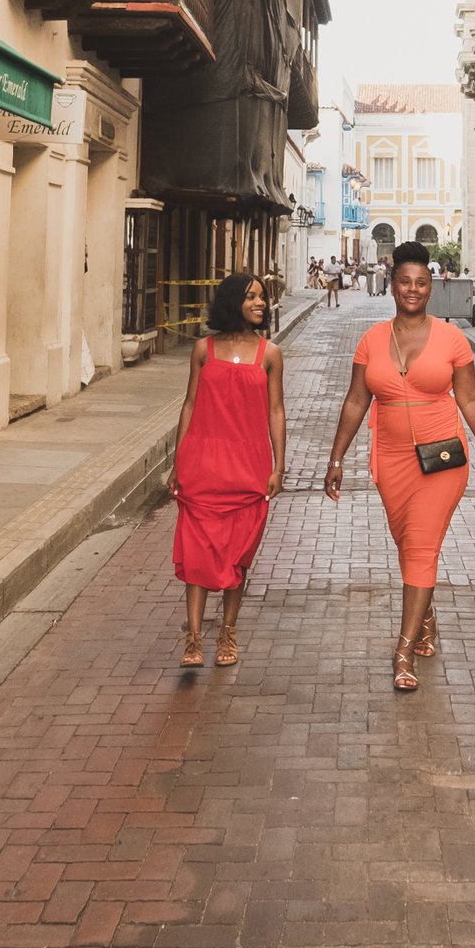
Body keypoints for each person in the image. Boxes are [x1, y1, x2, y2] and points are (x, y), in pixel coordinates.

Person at [324, 240, 475, 692]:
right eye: (405, 281)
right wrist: (336, 457)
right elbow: (356, 401)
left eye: (421, 282)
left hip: (442, 459)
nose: (412, 289)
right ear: (392, 285)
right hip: (391, 459)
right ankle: (425, 616)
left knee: (421, 545)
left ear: (431, 287)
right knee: (408, 543)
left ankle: (402, 650)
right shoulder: (371, 340)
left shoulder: (451, 339)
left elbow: (470, 399)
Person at [168, 269, 286, 669]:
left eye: (262, 296)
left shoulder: (269, 354)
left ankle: (228, 631)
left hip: (249, 467)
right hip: (202, 465)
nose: (260, 303)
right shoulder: (203, 349)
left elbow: (276, 410)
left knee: (238, 555)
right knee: (197, 556)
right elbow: (189, 404)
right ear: (232, 301)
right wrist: (178, 460)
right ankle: (193, 638)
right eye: (252, 296)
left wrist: (279, 465)